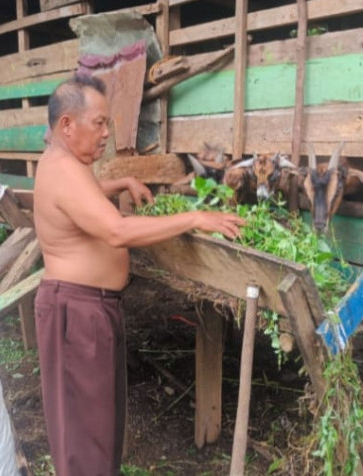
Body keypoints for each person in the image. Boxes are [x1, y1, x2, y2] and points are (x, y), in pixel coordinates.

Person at [33, 74, 245, 476]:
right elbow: (117, 231)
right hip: (76, 315)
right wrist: (194, 217)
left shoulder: (66, 164)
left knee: (98, 426)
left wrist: (122, 181)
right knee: (85, 436)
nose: (106, 133)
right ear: (66, 124)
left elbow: (85, 196)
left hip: (86, 310)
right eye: (98, 123)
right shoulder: (63, 169)